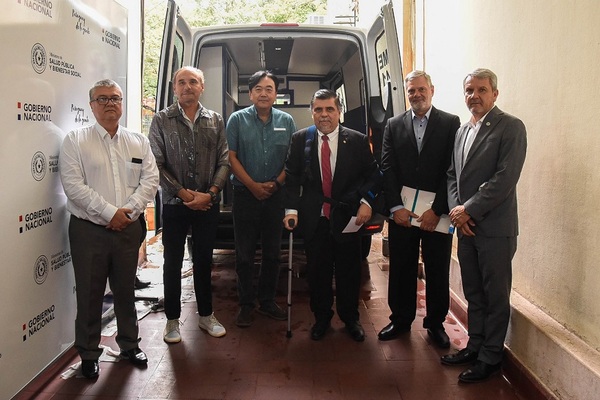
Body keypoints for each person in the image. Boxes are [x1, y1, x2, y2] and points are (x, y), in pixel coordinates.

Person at [59, 79, 159, 379]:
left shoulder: (138, 141)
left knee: (125, 290)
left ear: (122, 103)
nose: (109, 104)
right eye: (102, 99)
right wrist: (109, 213)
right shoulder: (76, 140)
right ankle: (89, 353)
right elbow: (73, 186)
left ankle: (129, 344)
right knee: (90, 294)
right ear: (91, 106)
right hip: (89, 230)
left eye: (115, 98)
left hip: (128, 227)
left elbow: (150, 180)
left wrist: (126, 212)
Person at [441, 68, 527, 383]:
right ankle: (475, 346)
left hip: (495, 229)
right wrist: (457, 212)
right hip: (466, 228)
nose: (474, 96)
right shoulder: (462, 131)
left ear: (494, 94)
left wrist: (469, 210)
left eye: (481, 90)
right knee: (474, 292)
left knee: (495, 296)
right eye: (469, 90)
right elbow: (452, 175)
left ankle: (491, 357)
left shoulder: (511, 127)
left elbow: (505, 178)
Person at [283, 89, 382, 342]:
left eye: (329, 109)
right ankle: (322, 318)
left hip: (348, 217)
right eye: (318, 109)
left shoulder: (357, 140)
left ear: (339, 112)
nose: (324, 115)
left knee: (349, 272)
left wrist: (366, 202)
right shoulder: (300, 139)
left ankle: (350, 318)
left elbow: (373, 175)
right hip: (314, 218)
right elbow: (292, 178)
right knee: (318, 272)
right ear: (312, 112)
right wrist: (291, 210)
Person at [378, 71, 460, 347]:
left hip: (436, 214)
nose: (416, 94)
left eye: (421, 89)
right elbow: (387, 167)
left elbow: (452, 169)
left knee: (437, 268)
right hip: (403, 213)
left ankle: (435, 324)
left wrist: (438, 209)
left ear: (432, 90)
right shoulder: (393, 125)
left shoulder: (450, 123)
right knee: (401, 267)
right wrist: (395, 207)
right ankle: (400, 320)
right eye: (411, 90)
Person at [149, 66, 230, 343]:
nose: (187, 86)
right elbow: (156, 163)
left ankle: (206, 315)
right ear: (174, 88)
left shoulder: (215, 120)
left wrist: (211, 193)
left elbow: (224, 160)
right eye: (181, 82)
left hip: (207, 203)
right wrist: (184, 195)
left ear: (202, 87)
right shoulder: (161, 119)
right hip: (174, 203)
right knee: (172, 262)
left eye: (193, 81)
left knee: (204, 261)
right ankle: (172, 321)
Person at [226, 70, 296, 327]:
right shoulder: (237, 120)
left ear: (276, 94)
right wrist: (253, 186)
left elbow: (292, 160)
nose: (264, 93)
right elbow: (230, 157)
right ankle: (246, 304)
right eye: (258, 89)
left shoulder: (287, 121)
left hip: (276, 196)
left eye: (269, 89)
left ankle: (267, 301)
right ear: (250, 93)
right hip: (245, 195)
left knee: (273, 253)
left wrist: (276, 183)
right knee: (244, 254)